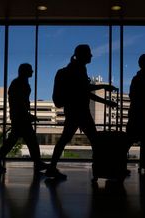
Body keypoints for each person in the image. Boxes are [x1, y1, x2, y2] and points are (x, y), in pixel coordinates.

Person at [45, 44, 117, 179]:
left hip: (74, 111)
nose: (91, 56)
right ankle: (100, 170)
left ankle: (52, 167)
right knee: (95, 141)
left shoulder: (75, 68)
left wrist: (105, 96)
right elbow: (85, 90)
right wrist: (104, 88)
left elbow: (84, 91)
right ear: (82, 55)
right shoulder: (77, 69)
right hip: (80, 111)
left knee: (65, 139)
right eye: (89, 53)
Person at [0, 63, 48, 173]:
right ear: (25, 71)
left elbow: (18, 102)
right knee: (31, 140)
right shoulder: (20, 84)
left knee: (14, 140)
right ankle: (38, 162)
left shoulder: (17, 83)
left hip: (18, 117)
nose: (32, 72)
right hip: (21, 117)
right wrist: (28, 115)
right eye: (30, 70)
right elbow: (20, 103)